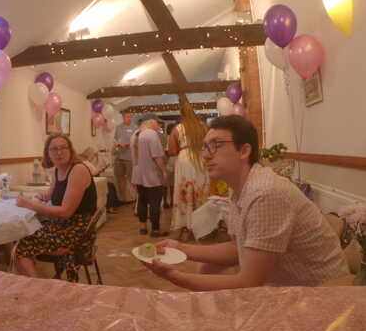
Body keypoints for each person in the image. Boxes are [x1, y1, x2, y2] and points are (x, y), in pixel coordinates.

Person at [143, 115, 349, 290]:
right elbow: (238, 247)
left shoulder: (265, 193)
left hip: (320, 292)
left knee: (208, 277)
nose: (205, 155)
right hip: (286, 285)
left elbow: (250, 282)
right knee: (207, 268)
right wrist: (180, 248)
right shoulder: (241, 188)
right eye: (204, 147)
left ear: (244, 151)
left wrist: (176, 276)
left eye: (215, 145)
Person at [14, 134, 97, 279]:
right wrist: (40, 197)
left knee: (20, 247)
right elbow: (50, 194)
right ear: (47, 153)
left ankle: (37, 286)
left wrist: (30, 204)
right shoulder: (58, 169)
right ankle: (32, 280)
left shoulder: (78, 170)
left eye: (63, 148)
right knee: (24, 231)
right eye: (54, 149)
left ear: (71, 150)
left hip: (76, 231)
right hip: (64, 225)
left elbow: (65, 212)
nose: (59, 152)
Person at [169, 105, 210, 240]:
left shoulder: (178, 128)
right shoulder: (203, 126)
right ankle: (202, 227)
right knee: (201, 190)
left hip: (184, 159)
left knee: (184, 191)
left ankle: (186, 226)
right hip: (200, 157)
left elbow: (172, 150)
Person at [131, 115, 168, 237]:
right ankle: (155, 230)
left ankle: (143, 227)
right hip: (152, 174)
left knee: (142, 201)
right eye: (158, 123)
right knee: (154, 203)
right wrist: (163, 171)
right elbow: (157, 156)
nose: (159, 126)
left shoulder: (135, 134)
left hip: (138, 174)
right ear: (151, 122)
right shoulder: (151, 134)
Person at [81, 146, 118, 213]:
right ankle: (110, 207)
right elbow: (94, 173)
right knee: (110, 186)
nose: (94, 156)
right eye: (93, 154)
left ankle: (111, 205)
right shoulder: (86, 163)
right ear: (89, 155)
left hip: (93, 179)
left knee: (110, 185)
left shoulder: (85, 162)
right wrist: (102, 169)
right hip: (92, 181)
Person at [112, 112, 136, 202]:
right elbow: (115, 140)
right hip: (119, 156)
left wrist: (129, 144)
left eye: (130, 117)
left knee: (132, 178)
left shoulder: (135, 128)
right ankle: (123, 198)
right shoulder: (118, 127)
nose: (129, 118)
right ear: (123, 118)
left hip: (130, 157)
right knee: (120, 178)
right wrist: (118, 145)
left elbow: (137, 141)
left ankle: (136, 198)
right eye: (127, 117)